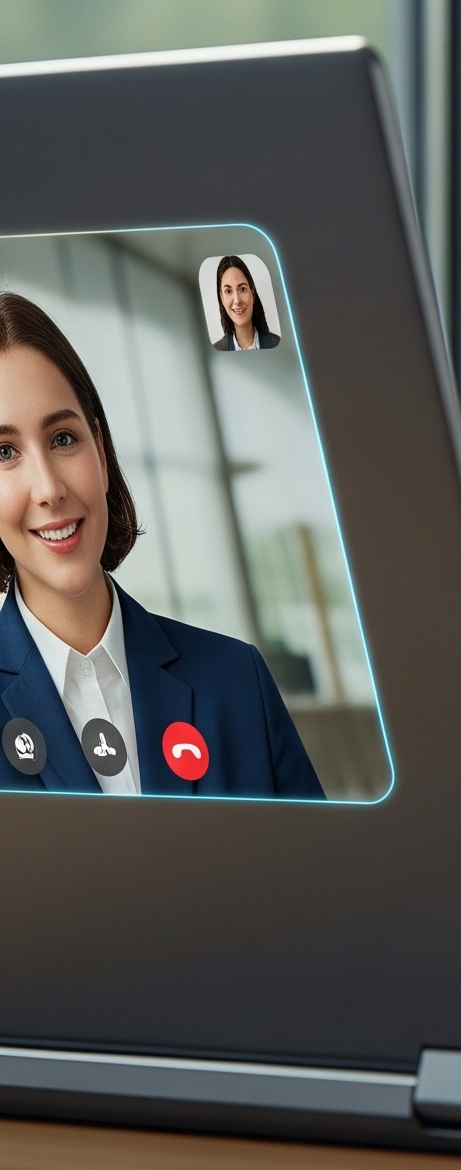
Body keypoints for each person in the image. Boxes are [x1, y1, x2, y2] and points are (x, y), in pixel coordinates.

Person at [0, 292, 323, 798]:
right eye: (4, 452)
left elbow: (325, 876)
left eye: (63, 438)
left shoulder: (239, 684)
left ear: (101, 454)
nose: (49, 489)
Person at [212, 254, 279, 352]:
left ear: (253, 294)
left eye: (242, 289)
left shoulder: (276, 343)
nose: (237, 300)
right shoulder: (217, 351)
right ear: (222, 298)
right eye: (228, 291)